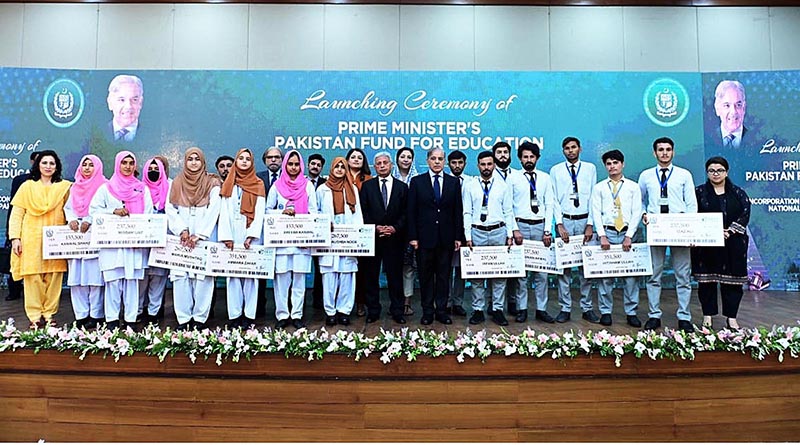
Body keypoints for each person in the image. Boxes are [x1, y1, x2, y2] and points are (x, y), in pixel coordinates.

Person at [638, 137, 697, 333]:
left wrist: (690, 229)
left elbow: (691, 204)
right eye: (661, 150)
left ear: (673, 152)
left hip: (679, 226)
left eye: (668, 149)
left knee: (683, 275)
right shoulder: (646, 175)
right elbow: (640, 201)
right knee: (654, 274)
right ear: (654, 153)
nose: (664, 153)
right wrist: (644, 214)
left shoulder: (684, 175)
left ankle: (684, 317)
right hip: (656, 227)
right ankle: (654, 315)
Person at [90, 151, 154, 330]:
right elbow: (94, 211)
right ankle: (111, 321)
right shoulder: (106, 188)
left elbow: (148, 213)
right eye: (124, 163)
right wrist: (113, 212)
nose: (127, 166)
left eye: (131, 163)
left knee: (132, 284)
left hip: (134, 244)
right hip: (112, 246)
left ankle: (130, 320)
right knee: (113, 283)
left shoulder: (142, 188)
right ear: (118, 164)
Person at [9, 150, 71, 329]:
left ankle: (50, 315)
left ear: (57, 166)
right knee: (33, 277)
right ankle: (35, 316)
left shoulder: (64, 188)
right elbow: (17, 215)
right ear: (38, 165)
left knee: (54, 277)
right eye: (44, 163)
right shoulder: (27, 187)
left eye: (52, 163)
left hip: (56, 240)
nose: (48, 166)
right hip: (31, 239)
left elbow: (71, 212)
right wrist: (15, 238)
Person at [165, 147, 222, 330]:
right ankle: (183, 318)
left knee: (203, 278)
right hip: (182, 238)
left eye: (198, 159)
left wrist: (200, 234)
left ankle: (199, 318)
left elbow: (215, 208)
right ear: (185, 161)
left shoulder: (212, 182)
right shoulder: (177, 182)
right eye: (190, 159)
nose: (194, 162)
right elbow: (170, 208)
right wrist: (182, 230)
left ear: (203, 161)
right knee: (181, 277)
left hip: (204, 237)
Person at [692, 156, 750, 330]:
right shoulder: (699, 192)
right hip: (707, 245)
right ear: (707, 172)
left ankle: (731, 318)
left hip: (733, 244)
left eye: (719, 170)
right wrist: (712, 232)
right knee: (706, 283)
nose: (715, 174)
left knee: (732, 284)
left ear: (727, 172)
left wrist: (729, 231)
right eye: (711, 170)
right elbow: (693, 214)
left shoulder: (738, 193)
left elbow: (745, 212)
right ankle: (707, 317)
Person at [407, 148, 463, 325]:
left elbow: (457, 211)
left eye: (440, 159)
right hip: (424, 239)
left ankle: (441, 311)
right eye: (433, 158)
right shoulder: (417, 182)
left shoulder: (453, 182)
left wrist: (457, 237)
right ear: (428, 160)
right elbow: (411, 212)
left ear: (444, 161)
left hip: (446, 239)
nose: (437, 162)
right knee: (425, 277)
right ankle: (427, 312)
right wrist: (413, 237)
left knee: (443, 277)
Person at [590, 149, 643, 327]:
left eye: (615, 162)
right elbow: (596, 213)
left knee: (630, 277)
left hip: (628, 233)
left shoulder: (633, 187)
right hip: (608, 233)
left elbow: (637, 212)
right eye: (609, 163)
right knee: (606, 276)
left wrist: (629, 236)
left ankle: (631, 312)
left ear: (622, 164)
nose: (612, 166)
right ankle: (606, 312)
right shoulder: (599, 187)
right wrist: (602, 235)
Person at [549, 136, 598, 324]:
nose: (570, 150)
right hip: (566, 222)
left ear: (580, 148)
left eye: (573, 147)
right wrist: (559, 223)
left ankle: (587, 308)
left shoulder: (590, 169)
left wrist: (590, 223)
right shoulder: (556, 170)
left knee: (586, 268)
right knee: (564, 268)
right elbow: (553, 199)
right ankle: (565, 308)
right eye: (567, 148)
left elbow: (594, 197)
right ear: (563, 151)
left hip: (585, 220)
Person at [267, 150, 318, 329]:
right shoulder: (276, 186)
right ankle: (282, 315)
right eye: (290, 164)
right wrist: (282, 212)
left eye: (297, 164)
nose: (294, 167)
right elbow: (267, 211)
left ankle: (296, 315)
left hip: (301, 243)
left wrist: (302, 216)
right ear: (285, 165)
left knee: (298, 281)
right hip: (281, 243)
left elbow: (314, 211)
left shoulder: (308, 186)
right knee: (281, 281)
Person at [463, 151, 514, 326]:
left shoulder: (502, 186)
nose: (486, 167)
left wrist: (509, 235)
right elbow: (467, 212)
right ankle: (478, 310)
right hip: (477, 231)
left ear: (494, 165)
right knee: (477, 274)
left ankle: (498, 309)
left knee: (499, 273)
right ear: (478, 166)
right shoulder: (470, 185)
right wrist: (467, 236)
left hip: (498, 231)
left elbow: (508, 211)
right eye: (483, 164)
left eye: (489, 164)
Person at [507, 142, 556, 323]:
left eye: (532, 156)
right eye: (525, 157)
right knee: (521, 273)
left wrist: (547, 231)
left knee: (542, 273)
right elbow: (508, 207)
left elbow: (550, 204)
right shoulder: (512, 178)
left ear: (537, 158)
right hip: (521, 227)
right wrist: (514, 229)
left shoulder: (545, 178)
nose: (529, 160)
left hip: (540, 227)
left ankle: (541, 309)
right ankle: (522, 309)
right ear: (520, 158)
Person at [218, 148, 266, 329]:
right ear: (236, 162)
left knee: (251, 277)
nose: (244, 161)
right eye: (241, 158)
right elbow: (223, 212)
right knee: (233, 276)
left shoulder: (258, 183)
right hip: (231, 233)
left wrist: (251, 235)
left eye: (248, 159)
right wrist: (226, 236)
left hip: (250, 235)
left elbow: (260, 211)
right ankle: (235, 315)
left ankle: (249, 315)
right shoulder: (229, 182)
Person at [360, 151, 408, 324]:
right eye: (378, 163)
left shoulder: (402, 187)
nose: (381, 166)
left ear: (391, 165)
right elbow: (363, 211)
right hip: (373, 238)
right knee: (371, 276)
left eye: (385, 163)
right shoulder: (367, 186)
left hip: (395, 239)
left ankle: (397, 310)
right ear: (375, 166)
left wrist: (394, 228)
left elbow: (406, 213)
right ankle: (373, 310)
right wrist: (375, 228)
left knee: (395, 277)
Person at [316, 157, 363, 326]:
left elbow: (357, 215)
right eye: (337, 166)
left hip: (347, 239)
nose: (340, 170)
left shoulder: (352, 189)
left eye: (343, 167)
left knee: (347, 276)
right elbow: (316, 211)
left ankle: (344, 311)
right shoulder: (322, 189)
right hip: (329, 238)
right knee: (329, 276)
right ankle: (330, 311)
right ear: (332, 168)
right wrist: (323, 224)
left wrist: (357, 237)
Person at [64, 155, 107, 329]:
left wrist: (89, 219)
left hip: (95, 233)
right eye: (85, 165)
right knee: (76, 278)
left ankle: (96, 315)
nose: (87, 168)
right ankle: (81, 315)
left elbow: (105, 208)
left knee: (95, 277)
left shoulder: (105, 185)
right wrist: (71, 219)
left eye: (91, 165)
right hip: (76, 236)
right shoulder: (74, 186)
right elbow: (68, 208)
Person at [139, 157, 171, 324]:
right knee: (141, 277)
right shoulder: (138, 188)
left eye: (156, 168)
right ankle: (138, 310)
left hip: (163, 239)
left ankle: (154, 311)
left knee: (158, 277)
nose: (153, 171)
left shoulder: (170, 186)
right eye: (150, 168)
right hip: (143, 240)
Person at [4, 151, 39, 302]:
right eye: (39, 161)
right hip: (22, 226)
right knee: (17, 259)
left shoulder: (53, 182)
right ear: (32, 162)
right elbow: (14, 207)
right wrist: (11, 232)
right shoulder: (20, 180)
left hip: (40, 229)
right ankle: (14, 291)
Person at [255, 147, 283, 319]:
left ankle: (284, 311)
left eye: (277, 157)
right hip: (260, 231)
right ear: (265, 160)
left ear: (282, 160)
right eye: (270, 157)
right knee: (259, 270)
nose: (273, 160)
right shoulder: (257, 178)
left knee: (282, 272)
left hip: (284, 234)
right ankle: (259, 307)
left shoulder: (291, 179)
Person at [392, 147, 418, 317]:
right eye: (403, 156)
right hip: (393, 229)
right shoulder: (389, 177)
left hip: (411, 228)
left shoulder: (418, 179)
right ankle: (396, 302)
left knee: (408, 267)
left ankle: (407, 301)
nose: (406, 159)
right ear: (397, 159)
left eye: (409, 157)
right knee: (394, 267)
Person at [346, 148, 372, 318]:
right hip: (343, 230)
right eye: (353, 157)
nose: (356, 160)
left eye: (359, 158)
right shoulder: (339, 177)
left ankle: (361, 303)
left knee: (363, 269)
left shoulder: (369, 180)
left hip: (364, 230)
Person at [446, 150, 470, 317]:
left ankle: (458, 302)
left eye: (460, 162)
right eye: (453, 163)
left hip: (466, 230)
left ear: (465, 163)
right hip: (447, 231)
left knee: (462, 269)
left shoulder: (472, 182)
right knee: (445, 269)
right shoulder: (444, 181)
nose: (457, 166)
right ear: (449, 164)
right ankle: (445, 301)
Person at [306, 153, 327, 311]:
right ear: (307, 165)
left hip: (320, 232)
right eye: (313, 164)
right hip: (302, 232)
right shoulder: (300, 183)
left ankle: (319, 301)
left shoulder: (326, 185)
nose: (315, 167)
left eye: (318, 165)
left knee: (320, 269)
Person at [106, 74, 144, 142]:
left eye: (134, 100)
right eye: (122, 100)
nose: (128, 106)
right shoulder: (95, 134)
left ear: (140, 103)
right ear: (110, 103)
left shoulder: (155, 135)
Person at [712, 80, 747, 148]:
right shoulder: (708, 140)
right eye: (727, 105)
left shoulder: (758, 139)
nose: (733, 112)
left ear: (744, 108)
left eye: (738, 105)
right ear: (717, 109)